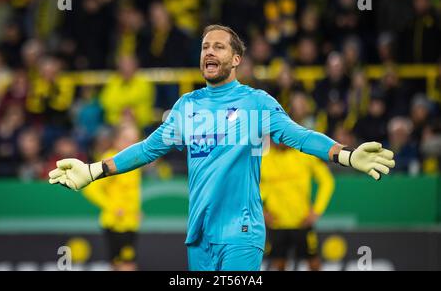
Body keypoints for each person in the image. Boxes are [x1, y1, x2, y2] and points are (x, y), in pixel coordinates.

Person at [48, 25, 395, 271]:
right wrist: (93, 170)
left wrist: (346, 154)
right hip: (199, 234)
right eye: (204, 47)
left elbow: (300, 136)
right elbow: (147, 148)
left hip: (241, 231)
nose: (209, 52)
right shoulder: (187, 106)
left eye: (218, 46)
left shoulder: (256, 103)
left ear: (236, 59)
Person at [261, 142, 334, 271]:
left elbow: (327, 181)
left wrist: (317, 210)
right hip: (277, 224)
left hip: (302, 222)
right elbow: (253, 189)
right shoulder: (263, 159)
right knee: (278, 264)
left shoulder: (305, 156)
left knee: (314, 263)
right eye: (274, 135)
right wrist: (261, 212)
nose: (278, 139)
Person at [82, 123, 142, 271]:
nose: (131, 143)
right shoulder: (110, 160)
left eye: (135, 140)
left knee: (121, 264)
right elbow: (91, 189)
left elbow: (129, 191)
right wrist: (113, 207)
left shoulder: (134, 161)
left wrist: (135, 210)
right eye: (127, 139)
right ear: (116, 140)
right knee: (125, 265)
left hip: (130, 222)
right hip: (116, 223)